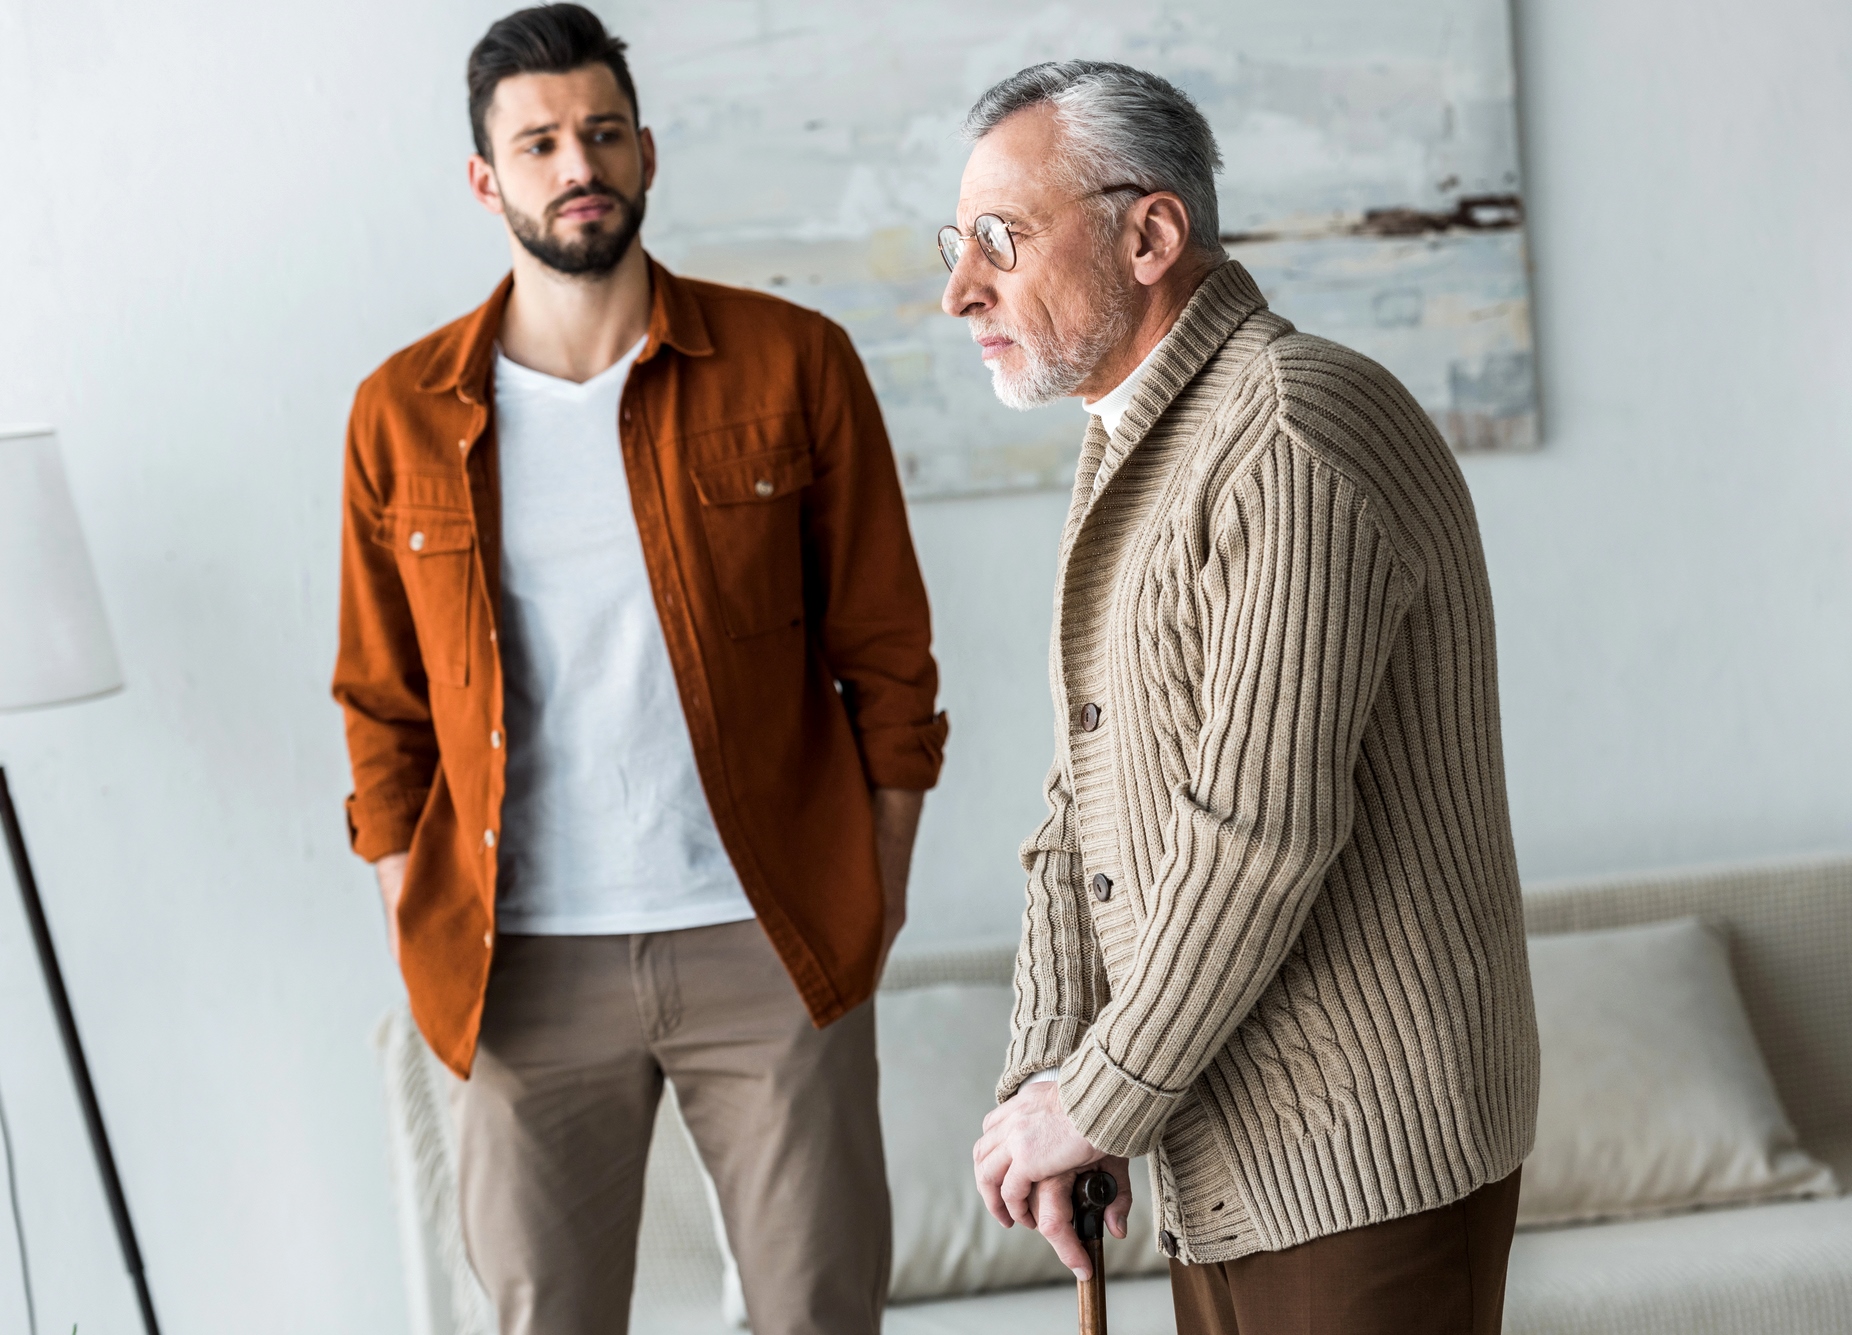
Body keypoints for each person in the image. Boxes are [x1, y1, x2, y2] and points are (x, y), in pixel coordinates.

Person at [331, 7, 947, 1332]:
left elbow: (888, 656)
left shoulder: (795, 364)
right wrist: (407, 901)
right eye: (541, 141)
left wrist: (877, 889)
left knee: (820, 1309)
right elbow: (382, 706)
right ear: (486, 180)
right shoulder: (402, 413)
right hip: (524, 960)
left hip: (769, 936)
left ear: (649, 152)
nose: (578, 163)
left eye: (602, 131)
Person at [948, 62, 1539, 1335]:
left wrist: (1098, 1096)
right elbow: (1082, 804)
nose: (960, 289)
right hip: (1220, 1152)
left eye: (1000, 239)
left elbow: (1256, 834)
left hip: (1360, 1160)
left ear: (1148, 233)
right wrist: (1052, 1079)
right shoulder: (1135, 449)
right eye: (961, 245)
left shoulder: (1291, 426)